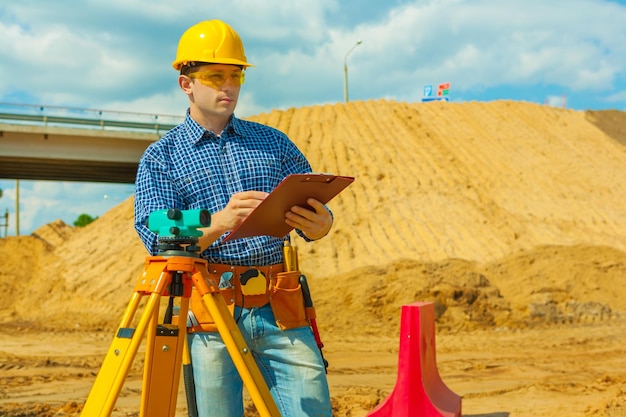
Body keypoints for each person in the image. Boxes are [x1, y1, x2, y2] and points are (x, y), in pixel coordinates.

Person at [133, 19, 333, 417]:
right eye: (215, 75)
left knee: (312, 408)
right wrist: (220, 222)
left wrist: (322, 223)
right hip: (210, 310)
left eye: (235, 75)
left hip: (279, 305)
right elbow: (157, 234)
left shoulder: (274, 143)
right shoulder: (162, 157)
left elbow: (314, 207)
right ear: (185, 83)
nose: (228, 86)